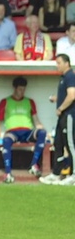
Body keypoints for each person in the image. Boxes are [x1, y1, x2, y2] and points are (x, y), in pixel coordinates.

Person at [0, 76, 48, 183]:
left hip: (27, 132)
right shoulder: (5, 102)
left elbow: (36, 121)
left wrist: (46, 131)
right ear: (14, 88)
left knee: (42, 133)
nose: (22, 92)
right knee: (6, 140)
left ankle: (33, 165)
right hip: (12, 132)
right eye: (20, 89)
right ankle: (8, 172)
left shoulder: (30, 102)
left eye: (24, 89)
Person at [42, 54, 75, 183]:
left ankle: (73, 175)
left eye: (59, 62)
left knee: (71, 145)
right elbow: (66, 94)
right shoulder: (63, 78)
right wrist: (55, 98)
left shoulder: (70, 76)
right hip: (62, 118)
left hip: (69, 116)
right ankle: (56, 173)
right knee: (59, 144)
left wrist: (60, 108)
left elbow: (72, 95)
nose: (57, 65)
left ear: (67, 63)